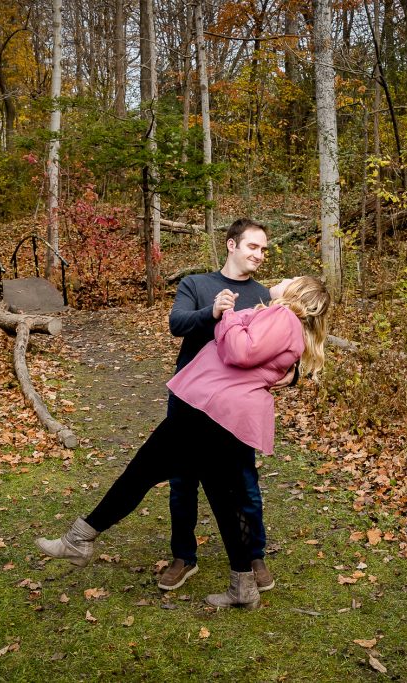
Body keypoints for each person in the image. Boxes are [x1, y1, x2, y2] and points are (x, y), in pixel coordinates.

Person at [36, 276, 330, 609]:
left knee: (143, 470)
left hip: (211, 412)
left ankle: (80, 537)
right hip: (221, 415)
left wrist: (228, 315)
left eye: (291, 279)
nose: (283, 278)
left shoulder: (283, 318)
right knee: (223, 500)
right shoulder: (288, 327)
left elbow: (237, 350)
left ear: (298, 293)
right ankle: (243, 586)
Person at [160, 218, 276, 593]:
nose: (260, 255)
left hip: (235, 408)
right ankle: (183, 556)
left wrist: (294, 376)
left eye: (263, 249)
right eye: (253, 247)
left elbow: (279, 347)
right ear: (231, 245)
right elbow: (176, 324)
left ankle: (253, 555)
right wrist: (210, 313)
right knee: (182, 480)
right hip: (190, 400)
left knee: (244, 482)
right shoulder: (196, 284)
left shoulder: (264, 296)